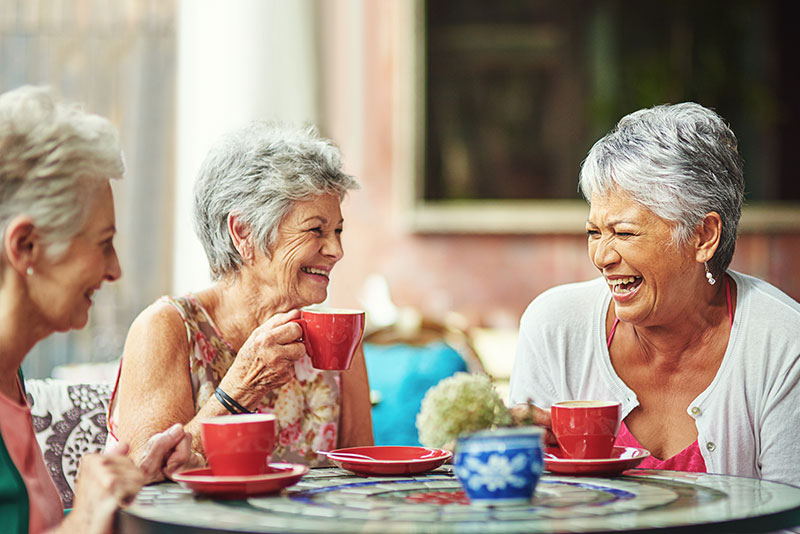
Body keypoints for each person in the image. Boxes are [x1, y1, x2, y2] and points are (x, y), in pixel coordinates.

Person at [509, 102, 800, 486]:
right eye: (594, 232)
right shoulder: (555, 327)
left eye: (625, 233)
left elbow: (788, 517)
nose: (601, 257)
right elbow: (525, 506)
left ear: (703, 237)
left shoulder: (782, 342)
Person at [106, 121, 373, 474]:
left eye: (338, 231)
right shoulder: (166, 327)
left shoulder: (335, 334)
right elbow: (142, 474)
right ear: (243, 232)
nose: (336, 250)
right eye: (316, 230)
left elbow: (363, 474)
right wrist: (242, 387)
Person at [0, 86, 192, 534]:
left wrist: (124, 484)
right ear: (26, 246)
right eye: (104, 244)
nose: (116, 270)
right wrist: (83, 520)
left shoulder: (11, 378)